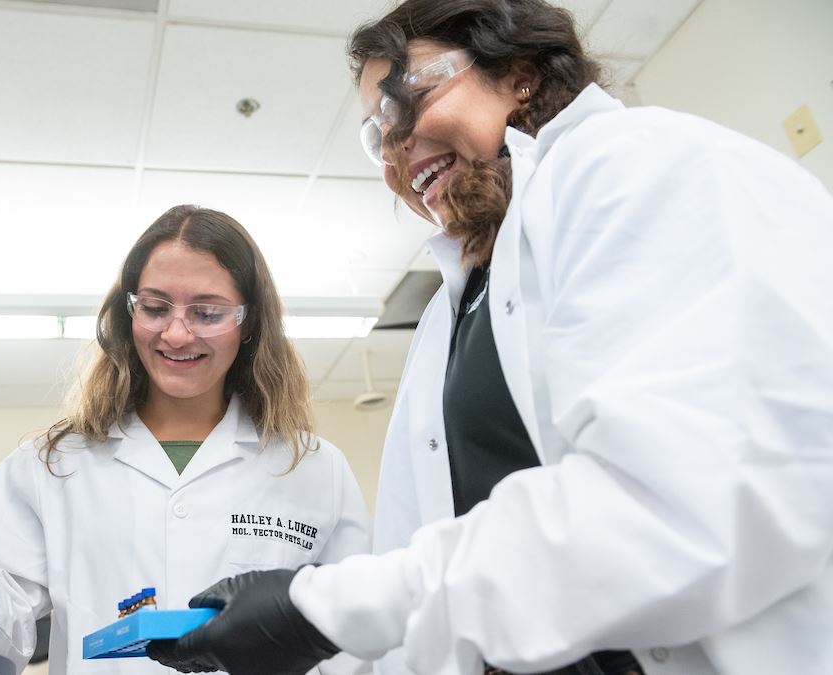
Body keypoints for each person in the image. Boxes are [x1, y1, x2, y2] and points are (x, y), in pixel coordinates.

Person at [145, 1, 833, 674]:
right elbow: (432, 572)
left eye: (412, 95)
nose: (395, 145)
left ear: (521, 70)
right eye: (377, 133)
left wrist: (319, 608)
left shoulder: (637, 166)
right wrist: (307, 633)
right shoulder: (455, 309)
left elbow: (678, 503)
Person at [0, 204, 372, 675]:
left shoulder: (313, 468)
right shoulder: (54, 463)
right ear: (127, 313)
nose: (177, 334)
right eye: (156, 308)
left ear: (249, 324)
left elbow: (355, 639)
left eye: (207, 312)